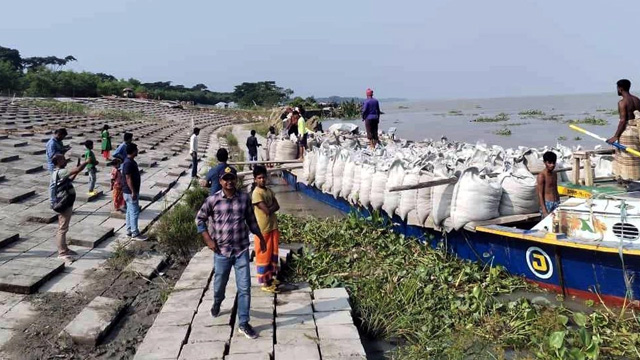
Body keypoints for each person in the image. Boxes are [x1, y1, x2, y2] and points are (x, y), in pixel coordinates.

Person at [196, 166, 267, 340]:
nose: (229, 182)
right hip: (221, 251)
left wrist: (261, 237)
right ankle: (217, 302)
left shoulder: (244, 199)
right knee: (220, 283)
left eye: (232, 178)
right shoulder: (212, 200)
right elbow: (200, 220)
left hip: (241, 249)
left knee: (245, 288)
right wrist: (208, 240)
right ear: (220, 181)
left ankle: (243, 322)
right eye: (225, 179)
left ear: (236, 180)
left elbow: (251, 220)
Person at [51, 154, 89, 262]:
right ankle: (61, 253)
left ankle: (65, 248)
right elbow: (76, 169)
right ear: (58, 161)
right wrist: (86, 162)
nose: (65, 160)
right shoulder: (60, 171)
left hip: (66, 202)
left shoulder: (60, 172)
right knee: (62, 228)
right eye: (63, 159)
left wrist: (76, 172)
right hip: (63, 203)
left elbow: (69, 179)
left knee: (64, 227)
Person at [251, 165, 281, 293]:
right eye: (259, 178)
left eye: (264, 177)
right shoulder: (256, 193)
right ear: (255, 179)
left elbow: (277, 206)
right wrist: (271, 207)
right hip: (263, 229)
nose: (262, 180)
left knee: (272, 253)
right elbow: (267, 210)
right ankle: (265, 282)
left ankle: (270, 278)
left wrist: (271, 208)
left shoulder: (268, 191)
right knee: (263, 254)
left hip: (272, 226)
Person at [122, 143, 146, 240]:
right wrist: (133, 192)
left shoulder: (130, 161)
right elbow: (128, 178)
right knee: (134, 212)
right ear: (133, 151)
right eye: (136, 149)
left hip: (129, 191)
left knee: (129, 211)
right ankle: (135, 233)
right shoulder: (128, 163)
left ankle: (129, 230)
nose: (137, 151)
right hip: (130, 192)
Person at [607, 79, 640, 145]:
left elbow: (623, 121)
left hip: (628, 133)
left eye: (617, 88)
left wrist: (616, 136)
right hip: (638, 131)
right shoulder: (637, 100)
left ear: (620, 88)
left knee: (625, 155)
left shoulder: (622, 102)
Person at [47, 129, 71, 206]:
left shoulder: (59, 141)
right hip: (54, 166)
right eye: (62, 136)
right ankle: (52, 202)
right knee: (54, 184)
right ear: (59, 134)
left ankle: (59, 198)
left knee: (61, 183)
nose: (63, 138)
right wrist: (62, 152)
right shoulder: (52, 143)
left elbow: (60, 150)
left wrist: (65, 149)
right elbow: (52, 156)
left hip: (60, 164)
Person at [537, 151, 560, 217]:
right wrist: (544, 210)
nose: (552, 165)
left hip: (556, 202)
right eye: (549, 163)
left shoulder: (554, 174)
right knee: (546, 225)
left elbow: (555, 189)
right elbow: (540, 194)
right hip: (547, 204)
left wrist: (559, 202)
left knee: (556, 223)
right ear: (544, 162)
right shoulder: (542, 176)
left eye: (553, 163)